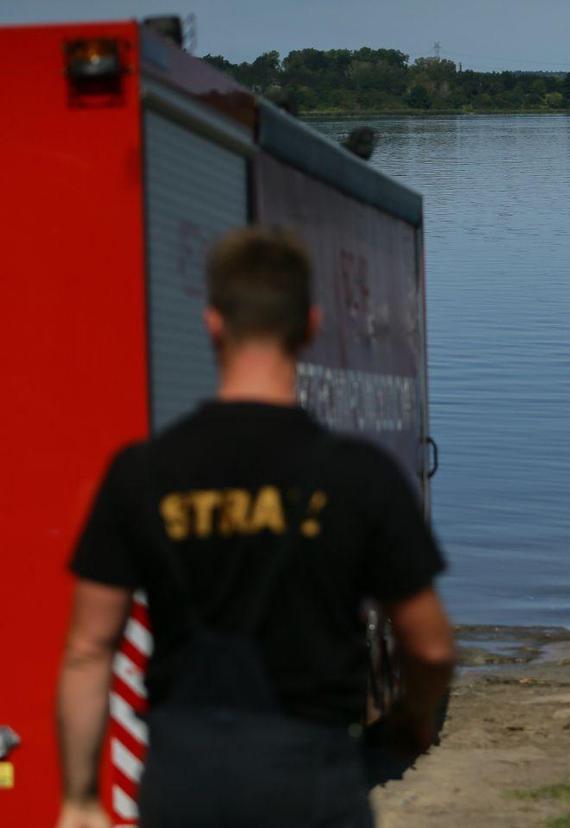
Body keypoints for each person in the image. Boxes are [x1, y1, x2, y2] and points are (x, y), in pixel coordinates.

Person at [55, 227, 454, 828]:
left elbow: (88, 651)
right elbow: (430, 645)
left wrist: (80, 798)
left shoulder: (142, 473)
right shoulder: (357, 476)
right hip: (311, 777)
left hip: (182, 780)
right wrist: (413, 721)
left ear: (213, 323)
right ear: (312, 327)